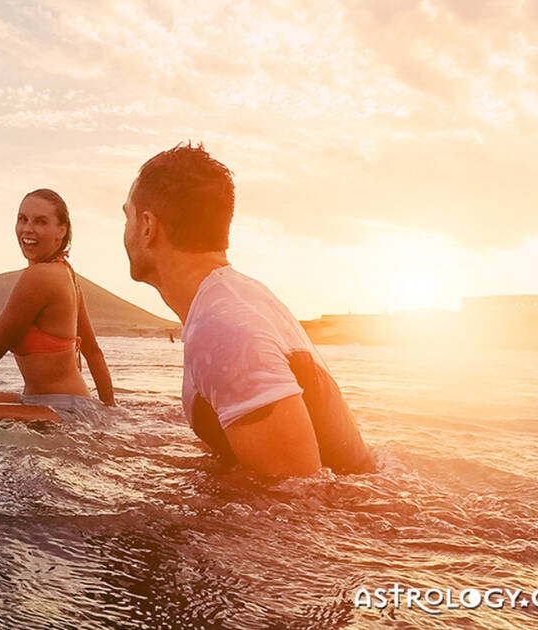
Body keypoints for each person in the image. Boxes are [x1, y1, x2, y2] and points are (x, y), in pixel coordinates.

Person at [122, 143, 374, 476]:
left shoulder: (223, 329)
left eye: (126, 217)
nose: (124, 232)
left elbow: (300, 495)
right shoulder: (234, 300)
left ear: (147, 226)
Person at [0, 188, 115, 422]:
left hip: (65, 410)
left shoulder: (40, 277)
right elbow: (93, 351)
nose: (28, 229)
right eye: (23, 219)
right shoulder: (66, 272)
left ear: (61, 230)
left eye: (41, 221)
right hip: (55, 402)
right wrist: (110, 409)